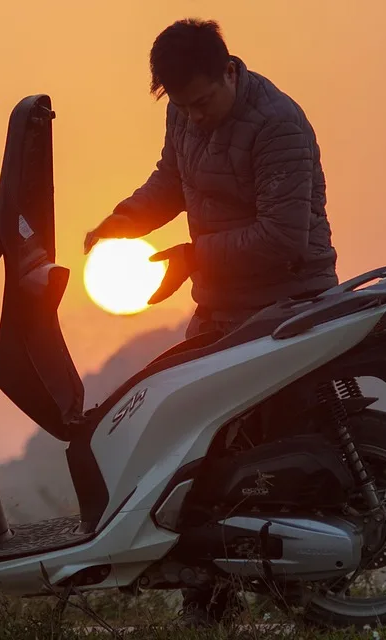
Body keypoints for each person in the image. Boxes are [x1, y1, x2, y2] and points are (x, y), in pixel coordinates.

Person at [83, 18, 339, 626]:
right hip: (218, 308)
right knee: (188, 447)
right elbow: (170, 181)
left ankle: (300, 589)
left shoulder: (279, 125)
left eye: (201, 102)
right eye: (181, 106)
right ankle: (208, 594)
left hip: (285, 306)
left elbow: (283, 236)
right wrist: (120, 222)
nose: (193, 117)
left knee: (270, 455)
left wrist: (191, 256)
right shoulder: (185, 113)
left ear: (230, 70)